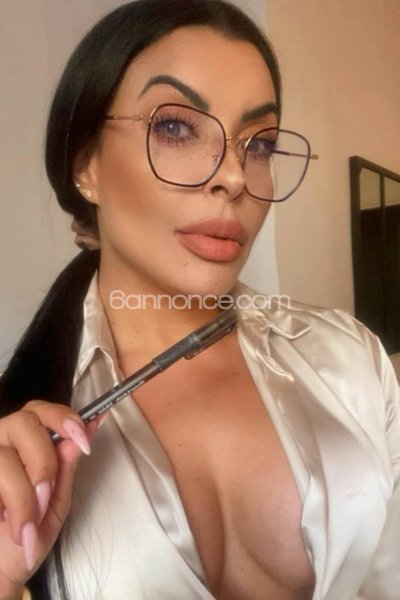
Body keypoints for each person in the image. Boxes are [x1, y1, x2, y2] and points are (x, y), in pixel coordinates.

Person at [0, 0, 399, 598]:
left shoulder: (349, 359)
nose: (234, 176)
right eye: (175, 128)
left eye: (260, 144)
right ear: (86, 165)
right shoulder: (25, 433)